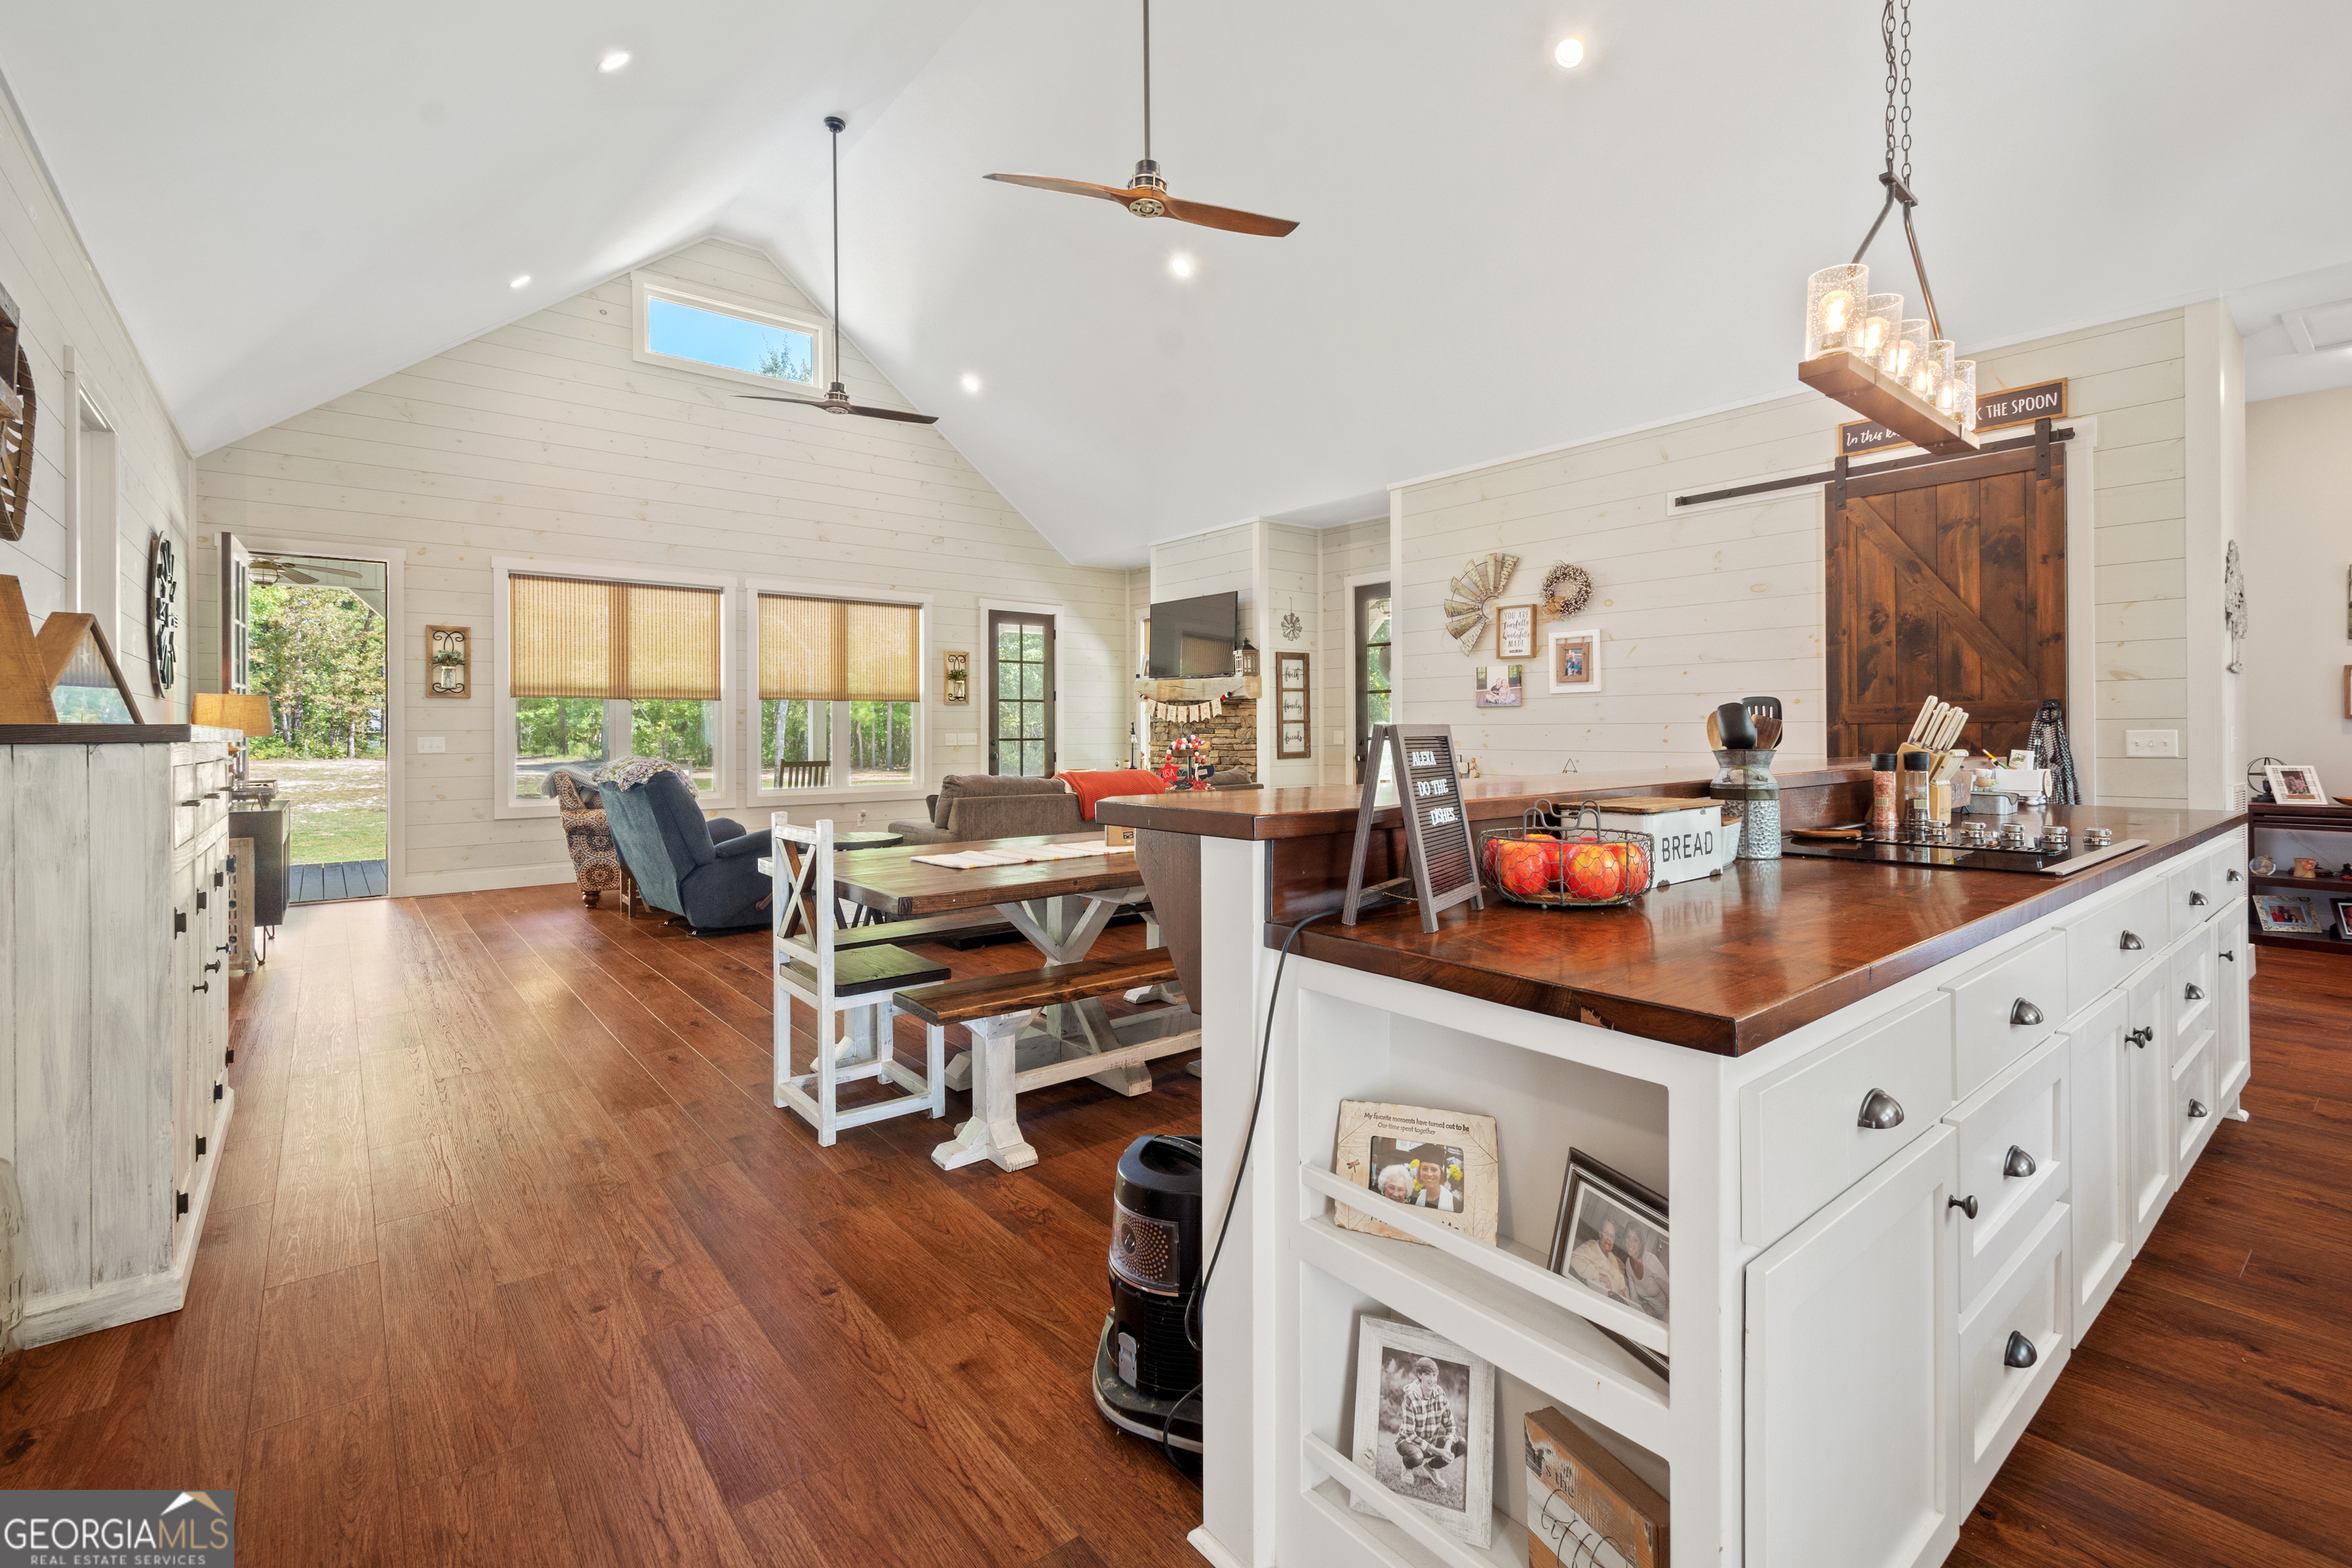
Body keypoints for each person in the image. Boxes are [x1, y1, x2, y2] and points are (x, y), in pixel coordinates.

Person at [1393, 1355, 1465, 1491]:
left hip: (1429, 1443)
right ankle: (1408, 1466)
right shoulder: (1411, 1396)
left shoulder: (1440, 1394)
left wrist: (1448, 1447)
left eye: (1434, 1375)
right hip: (1407, 1442)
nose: (1432, 1380)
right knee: (1417, 1457)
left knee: (1461, 1444)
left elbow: (1451, 1425)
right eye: (1427, 1375)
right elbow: (1409, 1434)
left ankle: (1431, 1467)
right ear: (1419, 1375)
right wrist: (1437, 1450)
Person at [1568, 1216, 1629, 1302]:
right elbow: (1573, 1259)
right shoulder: (1590, 1247)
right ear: (1600, 1234)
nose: (1609, 1239)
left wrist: (1624, 1293)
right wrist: (1598, 1275)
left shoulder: (1614, 1260)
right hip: (1593, 1298)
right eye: (1606, 1233)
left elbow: (1624, 1287)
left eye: (1612, 1237)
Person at [1622, 1225, 1669, 1320]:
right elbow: (1634, 1299)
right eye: (1628, 1237)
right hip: (1651, 1316)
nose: (1630, 1243)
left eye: (1635, 1240)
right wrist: (1643, 1305)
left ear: (1641, 1243)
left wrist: (1663, 1324)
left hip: (1669, 1316)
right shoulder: (1628, 1263)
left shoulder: (1651, 1261)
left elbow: (1672, 1297)